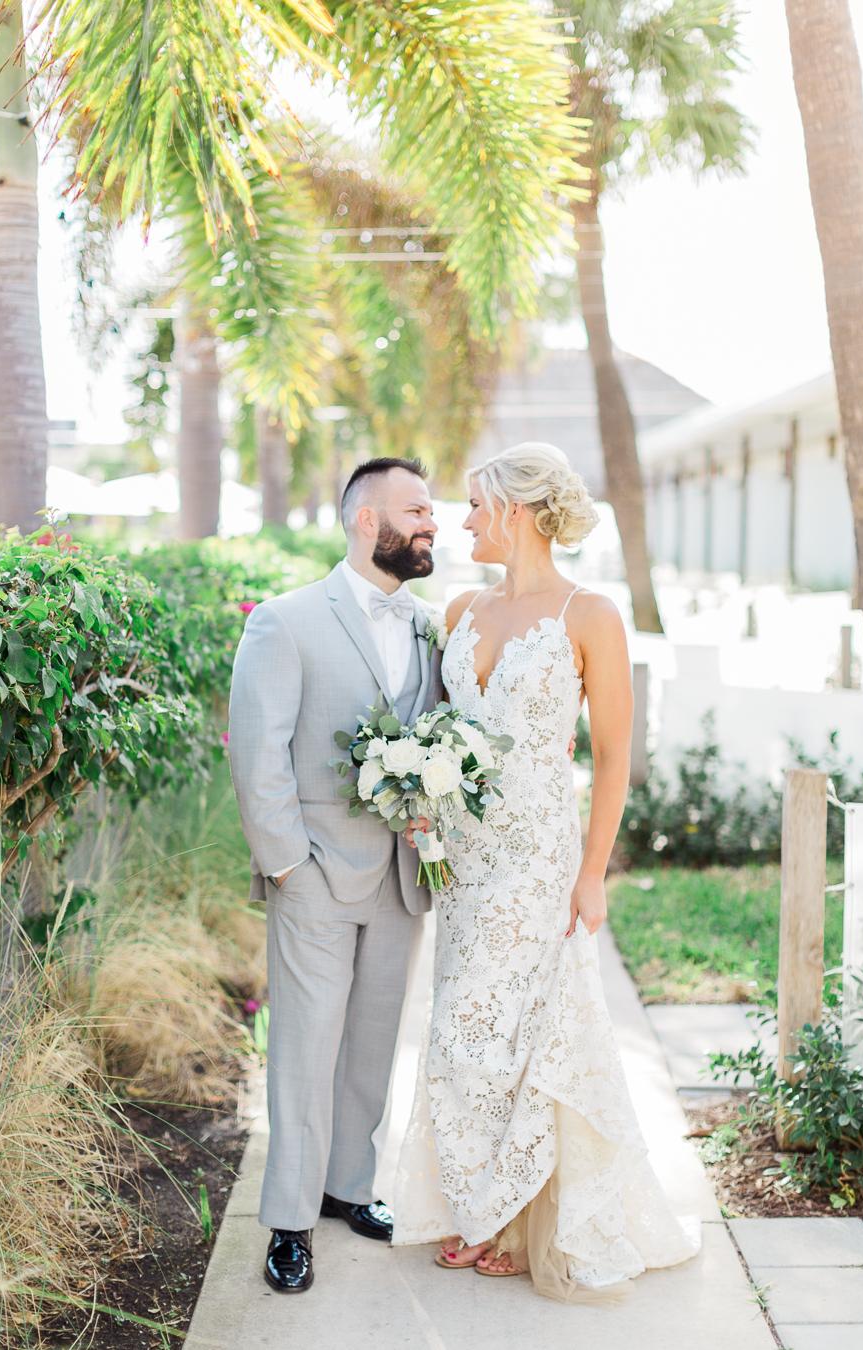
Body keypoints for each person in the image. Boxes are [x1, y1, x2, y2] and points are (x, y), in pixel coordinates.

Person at [393, 442, 700, 1298]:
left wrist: (592, 873)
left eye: (474, 506)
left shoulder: (589, 615)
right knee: (461, 1033)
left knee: (526, 1037)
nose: (462, 523)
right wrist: (416, 794)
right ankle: (474, 1202)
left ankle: (519, 1219)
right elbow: (436, 737)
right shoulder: (458, 610)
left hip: (539, 861)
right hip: (465, 863)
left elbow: (611, 759)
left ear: (516, 511)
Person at [228, 457, 443, 1294]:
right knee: (306, 1050)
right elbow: (259, 753)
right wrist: (288, 866)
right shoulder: (284, 622)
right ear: (366, 520)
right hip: (313, 873)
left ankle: (350, 1186)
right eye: (417, 510)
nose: (433, 523)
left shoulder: (430, 624)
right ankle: (288, 1222)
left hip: (400, 875)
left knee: (371, 1044)